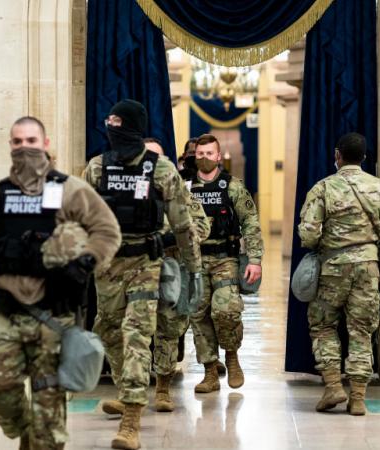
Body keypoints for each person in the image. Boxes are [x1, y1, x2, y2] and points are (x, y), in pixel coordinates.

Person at [0, 116, 121, 449]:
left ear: (46, 144)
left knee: (49, 415)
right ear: (10, 145)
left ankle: (41, 436)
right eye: (17, 142)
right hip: (6, 311)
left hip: (55, 315)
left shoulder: (70, 189)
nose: (24, 148)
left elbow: (107, 231)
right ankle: (27, 430)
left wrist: (86, 263)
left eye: (31, 141)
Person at [83, 100, 202, 450]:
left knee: (136, 333)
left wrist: (194, 268)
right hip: (107, 264)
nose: (111, 128)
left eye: (118, 123)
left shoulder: (162, 170)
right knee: (105, 328)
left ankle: (131, 418)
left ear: (132, 127)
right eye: (110, 122)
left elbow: (183, 223)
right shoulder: (96, 167)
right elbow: (82, 218)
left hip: (145, 264)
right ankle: (127, 390)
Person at [298, 132, 380, 415]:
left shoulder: (323, 188)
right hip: (368, 268)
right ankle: (357, 398)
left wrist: (322, 246)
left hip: (331, 268)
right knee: (361, 331)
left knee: (323, 325)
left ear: (337, 156)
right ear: (365, 157)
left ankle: (333, 386)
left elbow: (308, 233)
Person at [187, 133, 264, 393]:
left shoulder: (232, 186)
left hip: (225, 259)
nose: (205, 158)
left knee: (226, 310)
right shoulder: (185, 187)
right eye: (200, 154)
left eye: (210, 154)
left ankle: (232, 356)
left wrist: (255, 259)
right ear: (194, 156)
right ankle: (209, 371)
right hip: (195, 261)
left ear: (218, 156)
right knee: (199, 315)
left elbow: (251, 222)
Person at [143, 137, 210, 412]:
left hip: (172, 268)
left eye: (157, 157)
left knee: (168, 330)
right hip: (135, 269)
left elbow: (203, 228)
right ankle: (129, 392)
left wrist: (171, 237)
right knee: (132, 331)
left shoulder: (179, 191)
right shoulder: (127, 190)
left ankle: (162, 389)